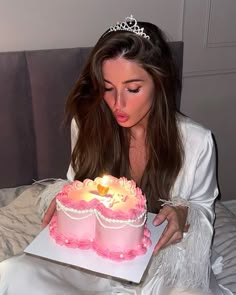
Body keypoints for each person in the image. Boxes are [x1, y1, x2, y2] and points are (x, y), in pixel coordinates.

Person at [0, 15, 233, 295]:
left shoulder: (196, 141)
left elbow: (204, 206)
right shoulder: (86, 124)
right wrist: (65, 200)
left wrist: (185, 213)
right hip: (93, 258)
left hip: (161, 263)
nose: (117, 104)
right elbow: (76, 182)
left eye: (133, 89)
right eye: (108, 88)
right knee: (13, 273)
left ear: (160, 84)